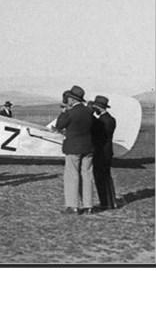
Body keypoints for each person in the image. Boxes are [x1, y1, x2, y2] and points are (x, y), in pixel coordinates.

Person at [55, 85, 95, 215]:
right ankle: (88, 206)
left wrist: (64, 111)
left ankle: (73, 206)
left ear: (72, 99)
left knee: (72, 175)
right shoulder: (89, 112)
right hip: (88, 147)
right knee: (87, 175)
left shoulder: (70, 112)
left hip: (73, 148)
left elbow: (59, 125)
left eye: (69, 98)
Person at [91, 95, 118, 210]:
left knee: (100, 178)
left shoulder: (102, 121)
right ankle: (111, 202)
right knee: (106, 177)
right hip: (107, 152)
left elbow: (98, 135)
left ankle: (105, 202)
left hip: (100, 152)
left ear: (98, 107)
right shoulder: (110, 119)